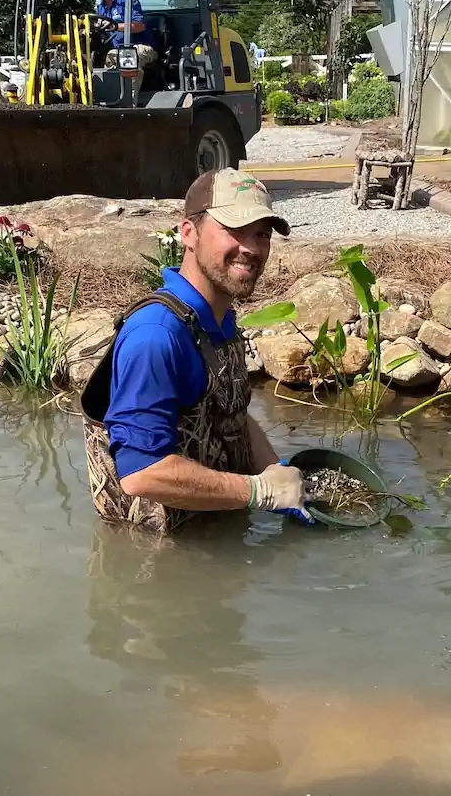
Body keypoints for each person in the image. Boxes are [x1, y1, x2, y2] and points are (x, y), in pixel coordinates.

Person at [80, 168, 312, 533]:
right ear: (188, 233)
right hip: (156, 562)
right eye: (234, 230)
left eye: (261, 234)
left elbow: (228, 414)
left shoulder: (220, 319)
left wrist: (275, 472)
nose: (251, 248)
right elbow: (141, 474)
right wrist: (259, 491)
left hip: (217, 538)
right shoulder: (156, 337)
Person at [87, 0, 159, 70]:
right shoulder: (101, 8)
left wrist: (115, 26)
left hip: (140, 46)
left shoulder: (127, 0)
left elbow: (140, 26)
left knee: (127, 57)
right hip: (117, 50)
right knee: (107, 57)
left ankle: (130, 87)